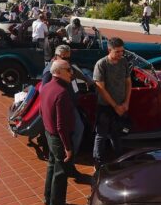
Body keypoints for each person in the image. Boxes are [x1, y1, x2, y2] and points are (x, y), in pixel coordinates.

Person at [42, 45, 87, 182]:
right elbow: (45, 92)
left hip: (70, 104)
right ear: (56, 56)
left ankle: (69, 161)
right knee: (77, 130)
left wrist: (89, 81)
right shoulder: (51, 71)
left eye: (68, 57)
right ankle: (69, 161)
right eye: (64, 57)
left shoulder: (66, 67)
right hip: (62, 108)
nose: (67, 60)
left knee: (77, 130)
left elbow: (77, 74)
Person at [40, 60, 78, 205]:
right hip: (59, 137)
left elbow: (42, 111)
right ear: (59, 71)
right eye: (68, 70)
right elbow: (61, 125)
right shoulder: (62, 92)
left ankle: (48, 197)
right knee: (61, 173)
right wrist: (67, 147)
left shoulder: (46, 86)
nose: (71, 73)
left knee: (52, 165)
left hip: (49, 134)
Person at [92, 37, 132, 166]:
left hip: (121, 105)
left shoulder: (123, 61)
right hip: (105, 106)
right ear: (109, 50)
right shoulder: (101, 64)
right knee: (101, 135)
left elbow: (128, 82)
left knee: (117, 133)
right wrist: (115, 106)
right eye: (117, 51)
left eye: (122, 51)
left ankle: (119, 159)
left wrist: (126, 102)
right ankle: (98, 162)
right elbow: (101, 88)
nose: (120, 54)